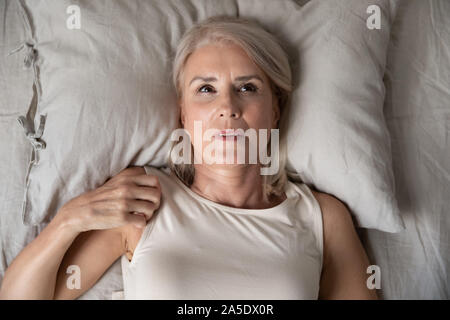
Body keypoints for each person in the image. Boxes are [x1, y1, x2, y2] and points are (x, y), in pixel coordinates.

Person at [0, 16, 377, 300]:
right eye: (206, 89)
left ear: (275, 110)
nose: (227, 107)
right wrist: (68, 220)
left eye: (248, 87)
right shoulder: (143, 198)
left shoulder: (322, 218)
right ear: (183, 113)